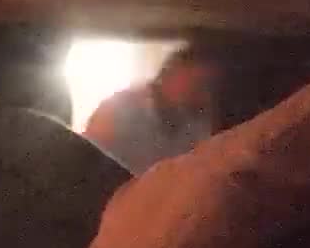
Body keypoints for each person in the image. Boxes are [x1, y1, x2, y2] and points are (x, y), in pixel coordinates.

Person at [80, 43, 218, 173]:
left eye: (208, 87)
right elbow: (86, 162)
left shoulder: (197, 122)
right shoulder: (118, 109)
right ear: (172, 73)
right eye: (198, 83)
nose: (203, 95)